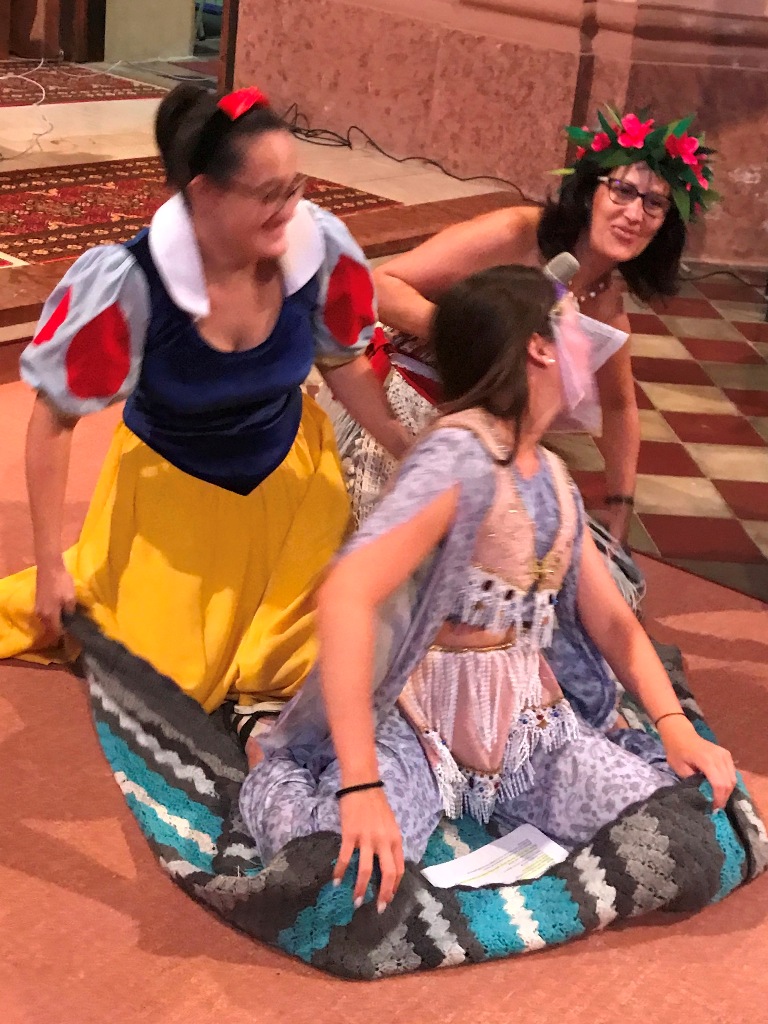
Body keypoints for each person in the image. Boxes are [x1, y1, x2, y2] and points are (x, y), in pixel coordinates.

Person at [239, 265, 735, 910]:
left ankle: (503, 800)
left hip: (529, 730)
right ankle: (272, 767)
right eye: (575, 329)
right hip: (411, 724)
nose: (591, 345)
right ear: (540, 347)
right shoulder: (457, 457)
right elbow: (346, 594)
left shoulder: (550, 473)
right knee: (340, 880)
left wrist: (674, 726)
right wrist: (360, 785)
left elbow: (614, 622)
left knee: (683, 836)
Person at [0, 84, 410, 716]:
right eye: (269, 195)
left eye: (297, 188)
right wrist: (51, 563)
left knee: (330, 652)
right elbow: (54, 421)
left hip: (293, 493)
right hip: (175, 501)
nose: (291, 209)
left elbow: (344, 364)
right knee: (169, 683)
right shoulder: (129, 282)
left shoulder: (319, 248)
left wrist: (411, 448)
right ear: (205, 193)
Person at [328, 109, 716, 553]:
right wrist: (474, 334)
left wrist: (620, 502)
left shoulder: (607, 306)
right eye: (623, 191)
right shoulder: (517, 232)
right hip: (399, 402)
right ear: (590, 191)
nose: (634, 214)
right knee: (394, 558)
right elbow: (379, 285)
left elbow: (619, 406)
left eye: (654, 204)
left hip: (486, 441)